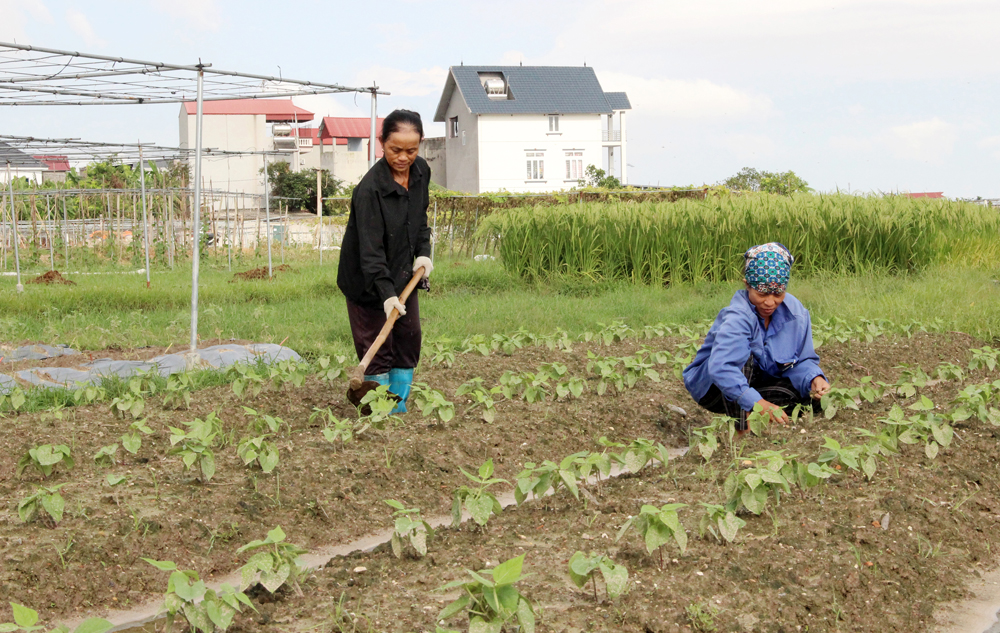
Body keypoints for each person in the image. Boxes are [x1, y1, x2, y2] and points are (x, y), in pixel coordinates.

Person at [337, 109, 433, 413]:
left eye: (411, 150)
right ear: (381, 143)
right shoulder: (369, 191)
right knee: (377, 345)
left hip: (405, 272)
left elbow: (419, 221)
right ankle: (380, 410)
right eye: (395, 149)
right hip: (367, 281)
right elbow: (370, 252)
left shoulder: (421, 173)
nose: (404, 157)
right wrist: (387, 295)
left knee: (408, 337)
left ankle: (399, 403)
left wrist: (424, 253)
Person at [683, 242, 831, 431]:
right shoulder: (738, 316)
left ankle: (762, 423)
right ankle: (741, 430)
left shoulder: (797, 314)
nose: (770, 302)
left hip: (760, 380)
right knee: (743, 359)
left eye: (778, 293)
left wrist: (814, 378)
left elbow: (801, 361)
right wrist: (759, 403)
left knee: (811, 398)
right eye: (762, 293)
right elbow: (722, 368)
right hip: (713, 387)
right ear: (747, 285)